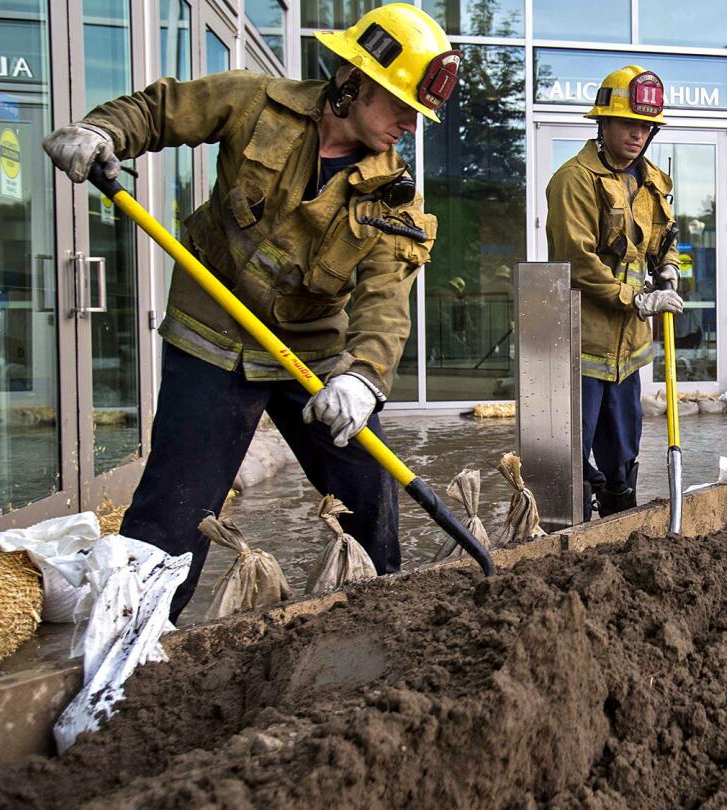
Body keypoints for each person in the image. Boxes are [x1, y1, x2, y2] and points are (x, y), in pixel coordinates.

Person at [41, 3, 459, 621]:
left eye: (417, 113)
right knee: (173, 517)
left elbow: (386, 300)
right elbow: (159, 111)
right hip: (213, 341)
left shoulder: (394, 196)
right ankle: (134, 647)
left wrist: (362, 378)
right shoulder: (256, 103)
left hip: (310, 359)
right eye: (401, 104)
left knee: (370, 497)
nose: (410, 123)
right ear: (354, 82)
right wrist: (104, 131)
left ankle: (382, 619)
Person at [546, 65, 682, 520]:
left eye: (646, 126)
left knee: (623, 457)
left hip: (629, 350)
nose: (638, 134)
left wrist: (669, 266)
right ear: (602, 123)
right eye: (628, 123)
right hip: (584, 346)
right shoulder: (573, 180)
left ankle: (622, 533)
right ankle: (570, 537)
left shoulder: (653, 181)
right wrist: (639, 300)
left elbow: (667, 238)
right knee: (572, 459)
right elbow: (578, 265)